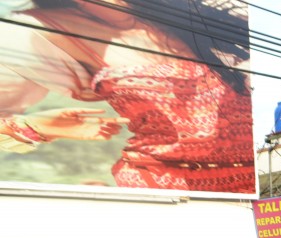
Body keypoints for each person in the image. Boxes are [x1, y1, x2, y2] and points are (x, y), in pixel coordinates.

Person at [0, 0, 254, 193]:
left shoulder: (206, 8)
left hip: (255, 185)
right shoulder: (35, 31)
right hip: (163, 191)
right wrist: (33, 127)